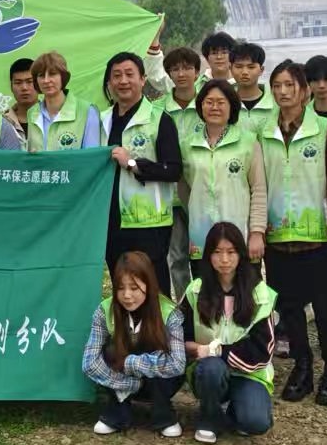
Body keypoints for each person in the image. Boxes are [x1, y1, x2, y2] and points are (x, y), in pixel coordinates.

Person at [260, 60, 327, 405]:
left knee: (326, 310)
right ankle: (303, 366)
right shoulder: (264, 131)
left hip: (318, 239)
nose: (283, 92)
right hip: (278, 238)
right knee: (290, 308)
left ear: (304, 90)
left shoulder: (322, 129)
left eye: (289, 85)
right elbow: (258, 183)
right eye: (277, 86)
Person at [181, 221, 276, 444]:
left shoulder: (259, 293)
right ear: (208, 255)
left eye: (231, 252)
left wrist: (216, 350)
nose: (224, 260)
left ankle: (236, 410)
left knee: (255, 422)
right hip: (209, 371)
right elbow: (179, 337)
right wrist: (198, 351)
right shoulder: (196, 290)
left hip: (249, 374)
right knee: (212, 368)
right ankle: (209, 416)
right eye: (217, 252)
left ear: (241, 254)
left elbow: (262, 349)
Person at [101, 52, 183, 294]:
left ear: (142, 79)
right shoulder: (101, 120)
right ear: (109, 83)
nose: (123, 81)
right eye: (116, 76)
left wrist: (132, 164)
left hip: (149, 222)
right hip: (111, 220)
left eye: (129, 74)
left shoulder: (159, 119)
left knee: (153, 288)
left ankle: (163, 322)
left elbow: (173, 170)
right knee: (122, 286)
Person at [82, 251, 185, 437]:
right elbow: (89, 363)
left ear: (149, 285)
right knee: (110, 350)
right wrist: (130, 384)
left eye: (134, 288)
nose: (127, 295)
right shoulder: (104, 311)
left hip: (158, 382)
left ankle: (163, 415)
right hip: (122, 379)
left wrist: (131, 362)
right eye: (120, 288)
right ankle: (118, 411)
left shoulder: (170, 313)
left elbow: (178, 364)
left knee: (161, 354)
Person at [179, 79, 266, 267]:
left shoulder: (248, 142)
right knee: (204, 285)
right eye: (209, 102)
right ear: (200, 106)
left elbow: (259, 190)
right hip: (201, 237)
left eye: (221, 102)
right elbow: (185, 190)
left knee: (244, 285)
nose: (214, 107)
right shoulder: (188, 145)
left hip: (239, 235)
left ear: (232, 106)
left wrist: (257, 232)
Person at [158, 45, 204, 301]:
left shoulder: (209, 104)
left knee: (205, 252)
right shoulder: (158, 109)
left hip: (203, 191)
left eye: (187, 68)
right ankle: (186, 309)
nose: (181, 73)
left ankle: (208, 307)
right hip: (170, 194)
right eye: (175, 69)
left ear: (197, 72)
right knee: (176, 256)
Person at [27, 51, 101, 150]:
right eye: (41, 75)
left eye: (52, 74)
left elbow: (92, 155)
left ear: (63, 77)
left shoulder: (87, 111)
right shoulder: (32, 113)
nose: (46, 80)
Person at [230, 41, 277, 134]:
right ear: (230, 68)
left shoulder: (276, 101)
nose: (244, 72)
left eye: (251, 67)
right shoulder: (224, 100)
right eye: (239, 67)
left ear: (261, 70)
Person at [6, 58, 37, 144]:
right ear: (11, 86)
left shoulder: (52, 118)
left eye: (30, 81)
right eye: (18, 83)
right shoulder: (2, 122)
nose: (24, 88)